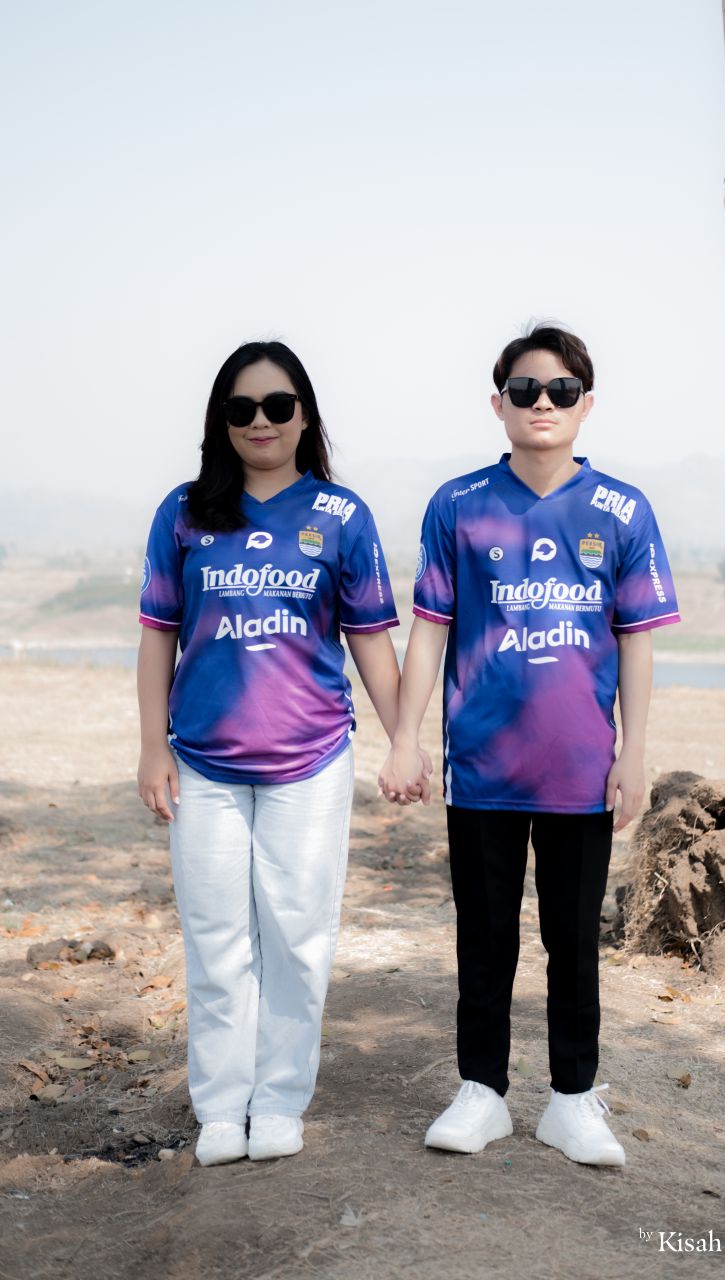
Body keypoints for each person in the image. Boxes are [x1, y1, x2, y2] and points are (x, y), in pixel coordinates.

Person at [379, 323, 680, 1167]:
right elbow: (429, 629)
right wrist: (404, 738)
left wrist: (633, 754)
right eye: (524, 390)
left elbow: (635, 640)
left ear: (586, 404)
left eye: (559, 390)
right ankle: (481, 1093)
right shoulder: (458, 504)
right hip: (481, 770)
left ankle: (573, 1101)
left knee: (572, 942)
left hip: (580, 772)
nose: (541, 402)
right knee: (484, 939)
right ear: (498, 404)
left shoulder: (622, 510)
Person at [137, 340, 421, 1166]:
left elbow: (371, 643)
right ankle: (222, 1108)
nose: (260, 421)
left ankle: (279, 1099)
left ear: (304, 416)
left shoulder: (341, 516)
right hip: (203, 764)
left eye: (277, 405)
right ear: (220, 421)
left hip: (311, 762)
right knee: (216, 941)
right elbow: (158, 636)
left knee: (297, 937)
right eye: (241, 408)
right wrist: (152, 747)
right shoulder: (184, 512)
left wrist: (405, 740)